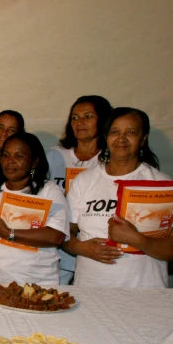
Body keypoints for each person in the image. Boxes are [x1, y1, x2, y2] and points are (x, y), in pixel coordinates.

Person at [65, 107, 171, 288]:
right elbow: (65, 232)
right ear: (106, 137)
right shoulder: (84, 180)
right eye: (115, 132)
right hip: (91, 288)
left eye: (131, 132)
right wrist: (82, 248)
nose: (121, 138)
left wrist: (138, 240)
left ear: (143, 138)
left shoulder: (162, 184)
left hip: (144, 289)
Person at [0, 133, 68, 285]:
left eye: (18, 156)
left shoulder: (49, 191)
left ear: (34, 162)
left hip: (35, 285)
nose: (10, 162)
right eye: (5, 155)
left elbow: (56, 236)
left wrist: (8, 233)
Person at [46, 95, 113, 285]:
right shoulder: (54, 155)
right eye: (75, 118)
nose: (80, 123)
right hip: (58, 248)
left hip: (95, 250)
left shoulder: (111, 159)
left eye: (88, 117)